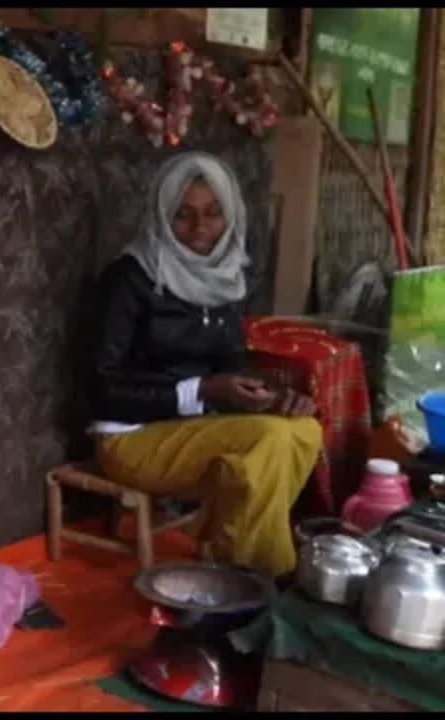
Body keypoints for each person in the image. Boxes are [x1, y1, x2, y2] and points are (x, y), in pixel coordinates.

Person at [88, 151, 323, 581]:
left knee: (304, 429)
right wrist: (204, 391)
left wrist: (266, 396)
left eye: (214, 214)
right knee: (268, 440)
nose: (200, 230)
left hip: (196, 430)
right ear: (160, 215)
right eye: (183, 215)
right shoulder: (128, 279)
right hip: (131, 439)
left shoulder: (224, 277)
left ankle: (228, 558)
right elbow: (102, 387)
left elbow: (230, 362)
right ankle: (263, 572)